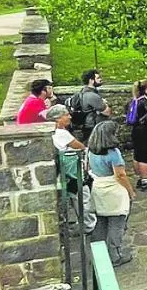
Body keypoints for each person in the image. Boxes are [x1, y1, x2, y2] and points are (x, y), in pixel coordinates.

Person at [86, 120, 136, 267]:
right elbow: (120, 175)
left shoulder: (90, 150)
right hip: (113, 190)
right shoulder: (113, 153)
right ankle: (114, 256)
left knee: (101, 221)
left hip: (98, 187)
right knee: (117, 223)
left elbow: (88, 168)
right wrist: (130, 192)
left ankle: (96, 254)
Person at [48, 104, 96, 235]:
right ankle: (89, 225)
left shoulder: (52, 133)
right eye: (66, 115)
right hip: (73, 173)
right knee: (82, 198)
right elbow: (80, 147)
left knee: (73, 198)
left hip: (63, 173)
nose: (69, 116)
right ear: (58, 119)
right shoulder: (62, 134)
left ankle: (77, 224)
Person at [127, 79, 147, 192]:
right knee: (144, 157)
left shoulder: (136, 99)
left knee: (137, 155)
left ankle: (141, 179)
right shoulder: (146, 100)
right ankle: (145, 182)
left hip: (136, 131)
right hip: (145, 132)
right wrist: (146, 122)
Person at [69, 69, 111, 143]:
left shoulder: (82, 92)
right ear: (91, 80)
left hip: (87, 125)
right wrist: (105, 104)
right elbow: (107, 112)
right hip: (94, 127)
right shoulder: (92, 95)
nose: (100, 80)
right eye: (98, 78)